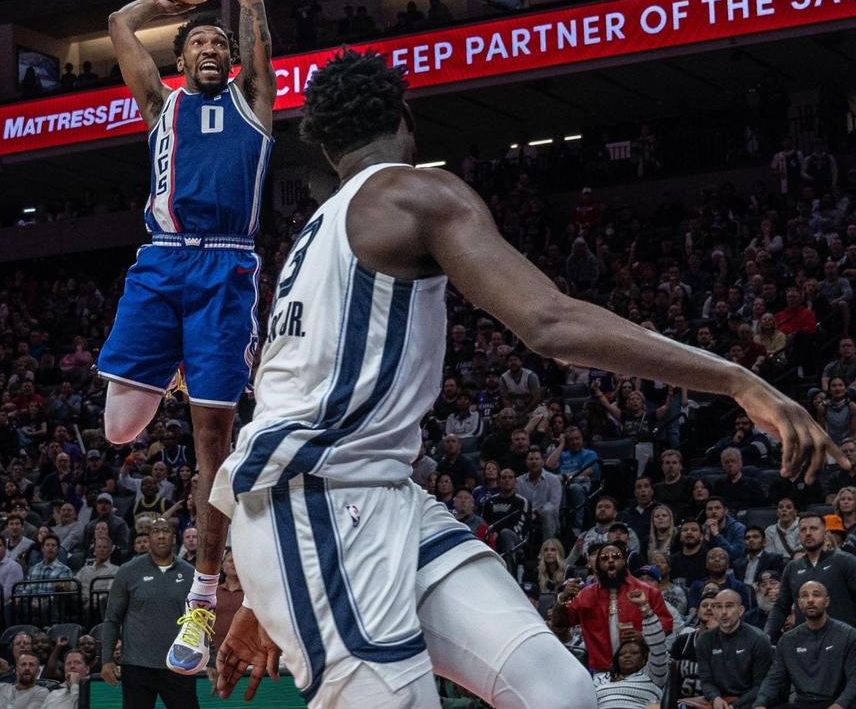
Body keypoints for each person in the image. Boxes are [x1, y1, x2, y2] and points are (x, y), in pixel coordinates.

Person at [211, 50, 845, 709]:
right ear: (406, 116)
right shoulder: (415, 191)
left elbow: (287, 393)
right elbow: (549, 323)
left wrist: (270, 584)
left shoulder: (313, 238)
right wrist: (739, 379)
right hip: (316, 506)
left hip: (369, 500)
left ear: (326, 145)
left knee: (557, 691)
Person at [99, 0, 276, 676]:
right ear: (179, 61)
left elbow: (257, 39)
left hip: (226, 268)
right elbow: (117, 22)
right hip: (162, 261)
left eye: (219, 43)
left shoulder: (254, 102)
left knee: (213, 445)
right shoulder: (159, 104)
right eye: (198, 41)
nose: (210, 48)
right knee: (119, 430)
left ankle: (202, 601)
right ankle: (177, 372)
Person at [100, 518, 196, 707]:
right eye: (155, 531)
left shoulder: (190, 573)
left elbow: (200, 621)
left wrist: (209, 661)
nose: (161, 536)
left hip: (179, 664)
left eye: (166, 531)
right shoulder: (128, 571)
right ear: (148, 537)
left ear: (174, 537)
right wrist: (106, 660)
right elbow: (112, 619)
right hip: (137, 666)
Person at [552, 541, 674, 672]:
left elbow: (667, 625)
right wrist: (562, 599)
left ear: (624, 562)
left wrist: (644, 636)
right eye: (604, 558)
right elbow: (560, 624)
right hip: (601, 672)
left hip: (642, 669)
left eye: (616, 557)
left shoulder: (648, 591)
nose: (610, 560)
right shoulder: (585, 595)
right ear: (597, 565)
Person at [754, 581, 856, 709]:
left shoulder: (848, 634)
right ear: (799, 602)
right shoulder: (787, 640)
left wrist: (840, 704)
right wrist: (760, 703)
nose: (810, 600)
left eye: (816, 595)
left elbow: (854, 680)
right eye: (805, 596)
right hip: (802, 704)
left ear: (827, 601)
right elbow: (774, 679)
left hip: (837, 703)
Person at [765, 512, 856, 640]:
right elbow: (781, 606)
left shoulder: (845, 561)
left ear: (825, 533)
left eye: (813, 528)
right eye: (803, 530)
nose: (808, 533)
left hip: (844, 640)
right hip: (805, 642)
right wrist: (766, 635)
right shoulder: (792, 567)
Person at [591, 588, 669, 708]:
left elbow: (657, 644)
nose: (627, 655)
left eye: (634, 653)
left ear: (644, 659)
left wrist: (644, 607)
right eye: (622, 654)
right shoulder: (601, 679)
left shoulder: (652, 675)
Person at [695, 589, 773, 709]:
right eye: (719, 607)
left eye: (729, 606)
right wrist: (715, 697)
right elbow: (706, 680)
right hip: (718, 701)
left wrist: (735, 706)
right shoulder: (705, 640)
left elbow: (761, 686)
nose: (724, 612)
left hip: (749, 701)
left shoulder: (759, 639)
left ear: (741, 610)